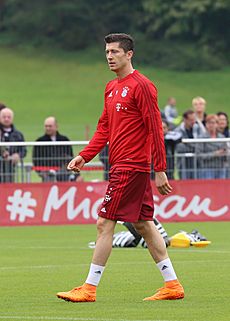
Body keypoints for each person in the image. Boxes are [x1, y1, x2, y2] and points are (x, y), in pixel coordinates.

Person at [57, 33, 184, 302]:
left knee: (105, 223)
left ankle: (89, 289)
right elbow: (104, 127)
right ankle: (172, 285)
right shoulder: (111, 87)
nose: (109, 57)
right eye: (107, 52)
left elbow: (154, 128)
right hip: (121, 166)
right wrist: (85, 155)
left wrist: (160, 168)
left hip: (131, 166)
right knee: (144, 225)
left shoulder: (143, 86)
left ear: (129, 54)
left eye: (115, 52)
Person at [32, 117, 79, 182]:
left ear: (56, 126)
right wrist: (41, 172)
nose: (48, 128)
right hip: (47, 174)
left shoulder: (64, 140)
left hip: (63, 174)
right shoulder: (39, 141)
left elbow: (70, 157)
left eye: (50, 126)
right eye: (46, 126)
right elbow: (36, 160)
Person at [0, 107, 26, 182]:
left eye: (9, 117)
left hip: (10, 168)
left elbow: (23, 150)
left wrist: (18, 155)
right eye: (4, 117)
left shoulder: (18, 134)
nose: (6, 119)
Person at [197, 114, 227, 179]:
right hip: (207, 169)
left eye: (213, 123)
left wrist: (225, 153)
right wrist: (214, 154)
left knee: (221, 188)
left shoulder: (222, 137)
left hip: (221, 168)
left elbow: (226, 152)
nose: (211, 125)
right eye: (209, 123)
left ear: (217, 124)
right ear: (206, 124)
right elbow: (199, 155)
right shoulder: (201, 138)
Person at [175, 109, 202, 179]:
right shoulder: (177, 131)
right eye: (191, 120)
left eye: (194, 119)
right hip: (183, 164)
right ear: (185, 119)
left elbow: (201, 144)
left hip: (197, 162)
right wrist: (194, 147)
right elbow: (179, 147)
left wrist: (187, 144)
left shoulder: (198, 128)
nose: (193, 122)